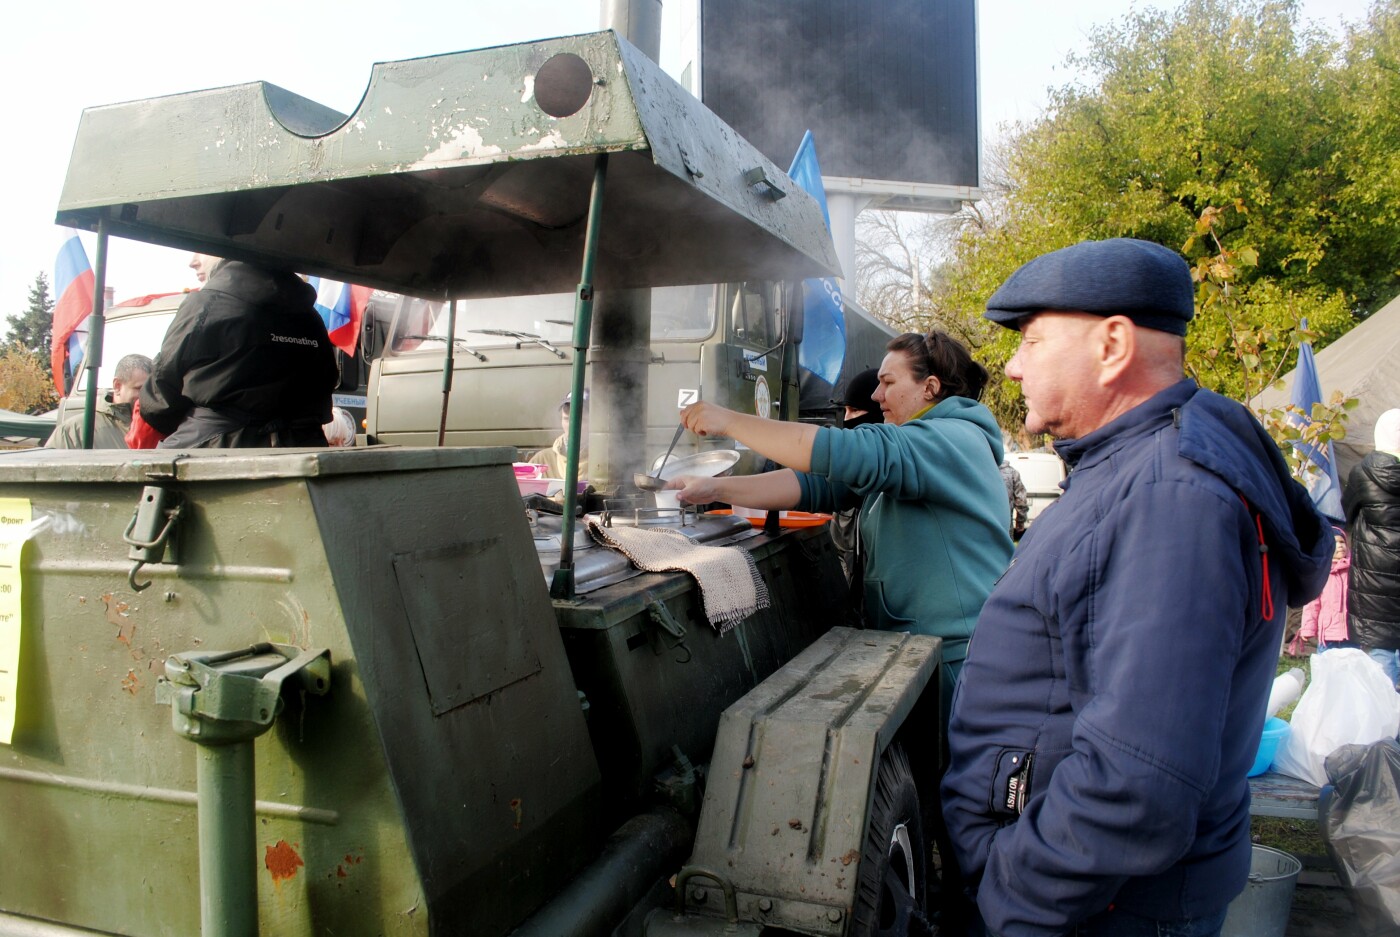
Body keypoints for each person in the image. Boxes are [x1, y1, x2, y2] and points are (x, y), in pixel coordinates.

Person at [941, 238, 1332, 937]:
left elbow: (1140, 779)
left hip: (1095, 911)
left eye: (1032, 341)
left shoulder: (1169, 495)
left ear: (1113, 344)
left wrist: (1012, 896)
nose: (1012, 364)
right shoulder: (1134, 468)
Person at [668, 329, 1012, 701]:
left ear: (929, 387)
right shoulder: (918, 447)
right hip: (919, 649)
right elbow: (815, 485)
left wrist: (730, 421)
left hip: (955, 659)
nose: (877, 396)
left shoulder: (949, 440)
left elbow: (836, 450)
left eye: (888, 382)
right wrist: (716, 489)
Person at [138, 256, 339, 448]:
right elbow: (327, 379)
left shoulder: (207, 304)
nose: (193, 262)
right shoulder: (311, 317)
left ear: (227, 248)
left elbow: (162, 394)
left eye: (202, 249)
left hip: (219, 448)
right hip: (304, 445)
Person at [1345, 407, 1400, 689]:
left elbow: (1348, 512)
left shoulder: (1361, 475)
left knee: (1382, 681)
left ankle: (1387, 732)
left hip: (1373, 592)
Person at [828, 367, 884, 585]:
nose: (847, 419)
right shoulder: (848, 477)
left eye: (855, 411)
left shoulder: (892, 480)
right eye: (846, 411)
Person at [47, 353, 153, 449]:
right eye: (140, 389)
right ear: (117, 386)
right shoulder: (73, 432)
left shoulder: (160, 428)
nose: (148, 396)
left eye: (153, 390)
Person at [1290, 526, 1351, 654]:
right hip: (1328, 635)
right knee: (1327, 669)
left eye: (1342, 542)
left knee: (1351, 669)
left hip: (1351, 634)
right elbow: (1312, 605)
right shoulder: (1322, 573)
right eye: (1335, 543)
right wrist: (1308, 628)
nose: (1340, 546)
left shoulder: (1353, 572)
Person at [528, 390, 589, 478]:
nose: (573, 425)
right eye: (567, 419)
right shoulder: (542, 460)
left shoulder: (605, 465)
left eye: (582, 420)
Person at [998, 456, 1030, 539]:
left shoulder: (980, 469)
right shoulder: (1012, 473)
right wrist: (1020, 521)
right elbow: (1021, 501)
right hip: (1006, 523)